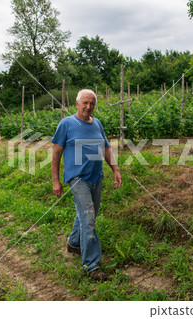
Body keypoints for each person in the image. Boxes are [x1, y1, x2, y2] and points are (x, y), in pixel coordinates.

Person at [51, 89, 122, 281]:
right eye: (85, 103)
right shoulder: (66, 124)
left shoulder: (97, 123)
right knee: (89, 219)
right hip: (78, 179)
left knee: (88, 214)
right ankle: (91, 265)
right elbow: (56, 153)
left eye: (92, 103)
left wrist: (115, 169)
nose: (88, 107)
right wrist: (55, 181)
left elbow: (106, 148)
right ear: (77, 103)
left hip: (96, 177)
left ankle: (74, 243)